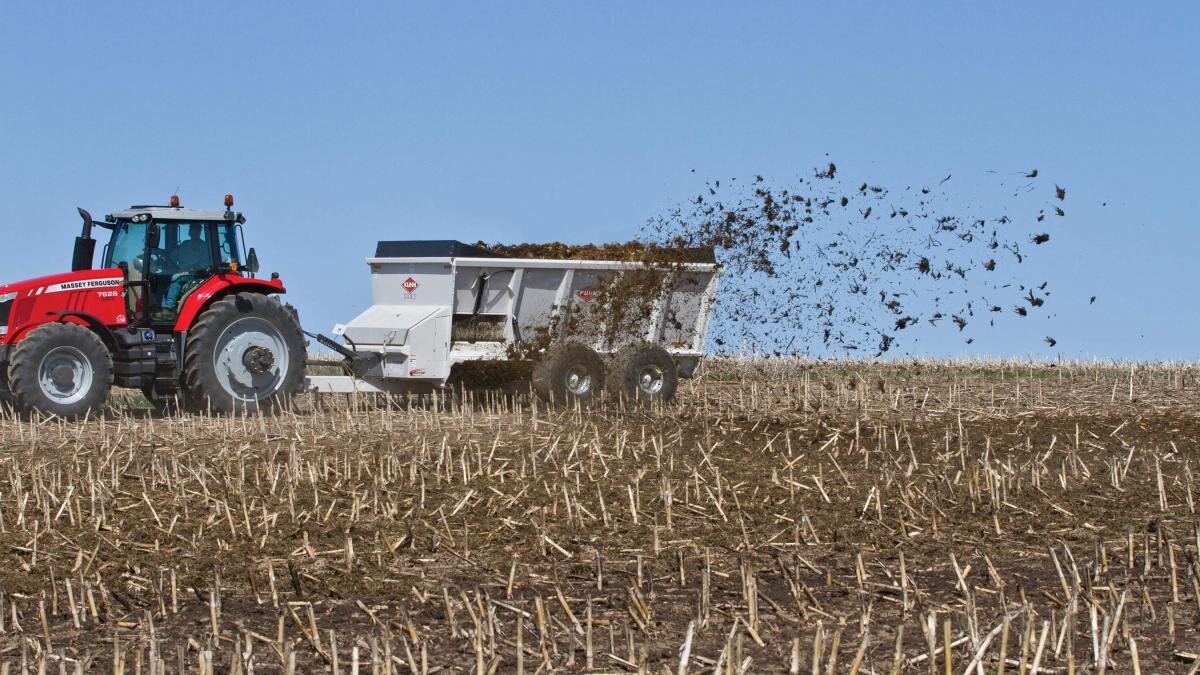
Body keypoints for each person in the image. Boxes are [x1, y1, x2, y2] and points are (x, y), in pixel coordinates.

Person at [160, 224, 210, 316]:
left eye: (197, 230)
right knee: (161, 277)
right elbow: (173, 257)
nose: (194, 232)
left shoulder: (203, 246)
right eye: (192, 229)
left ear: (200, 232)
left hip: (195, 274)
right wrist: (163, 255)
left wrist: (191, 269)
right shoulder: (184, 244)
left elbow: (204, 265)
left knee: (177, 280)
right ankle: (158, 305)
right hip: (182, 272)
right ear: (190, 231)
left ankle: (169, 308)